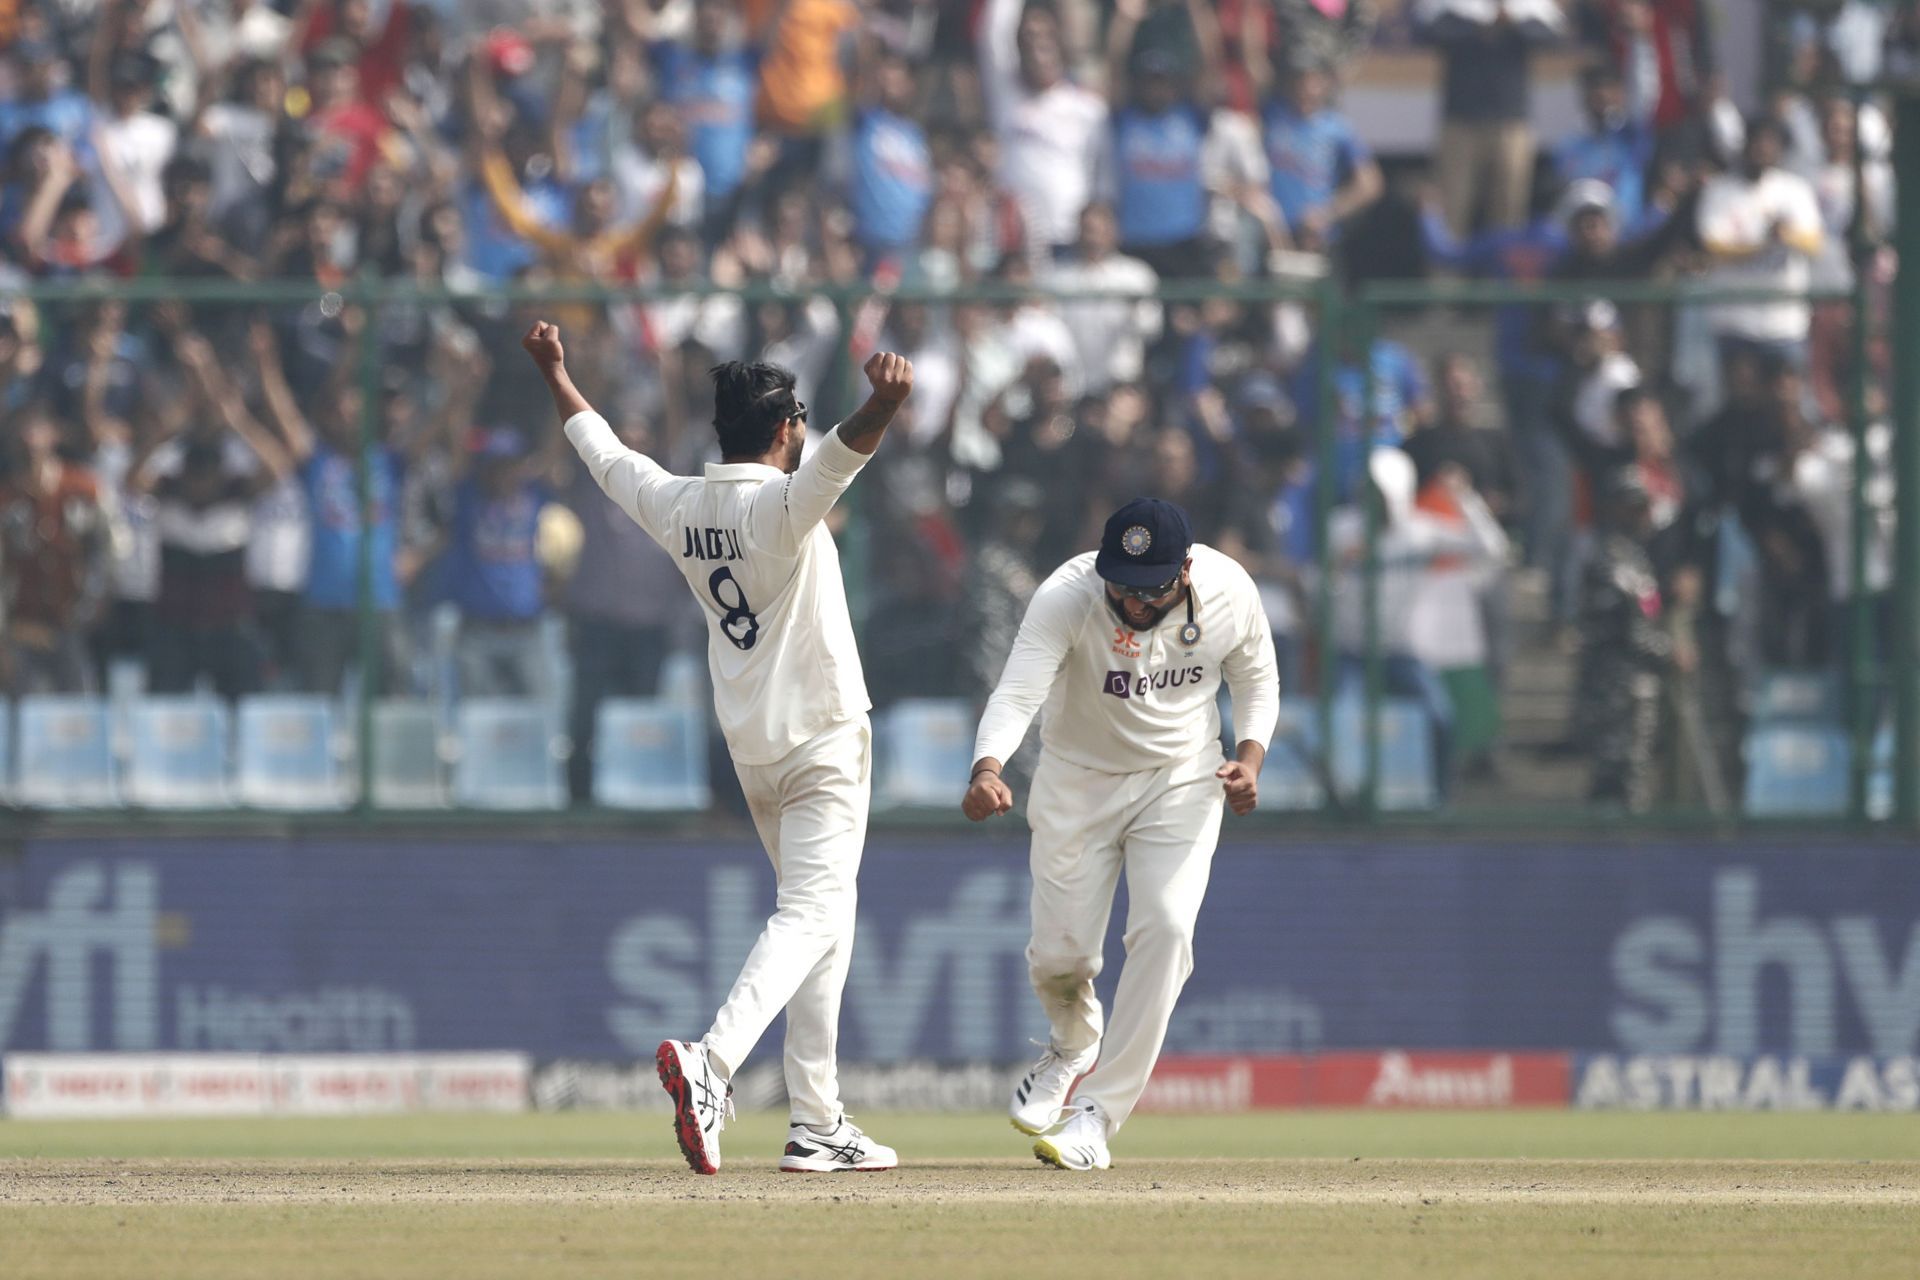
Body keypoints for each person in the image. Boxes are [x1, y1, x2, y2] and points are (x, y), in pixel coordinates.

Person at [524, 319, 912, 1175]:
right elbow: (850, 450)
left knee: (824, 922)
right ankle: (714, 1062)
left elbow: (602, 453)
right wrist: (883, 400)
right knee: (813, 914)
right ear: (783, 431)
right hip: (820, 738)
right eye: (797, 424)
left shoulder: (680, 503)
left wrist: (557, 370)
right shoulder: (780, 504)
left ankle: (816, 1120)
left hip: (754, 752)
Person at [961, 497, 1279, 1171]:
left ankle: (1096, 1117)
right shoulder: (1066, 596)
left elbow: (1257, 680)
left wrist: (1249, 760)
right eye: (1123, 588)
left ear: (1184, 573)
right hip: (1076, 779)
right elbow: (1017, 692)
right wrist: (987, 766)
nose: (1133, 605)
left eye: (1151, 590)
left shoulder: (1228, 590)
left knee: (1166, 928)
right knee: (1060, 960)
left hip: (1183, 777)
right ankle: (1072, 1045)